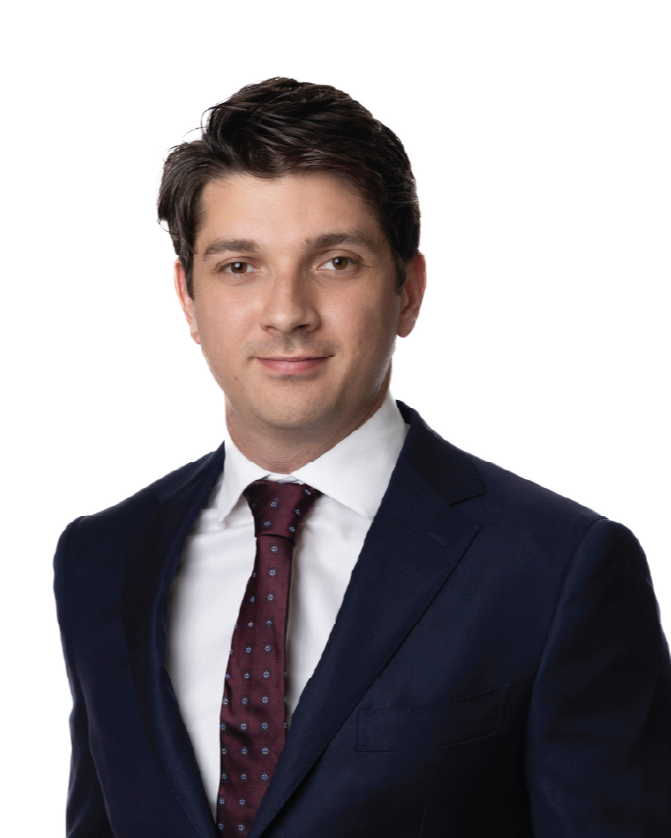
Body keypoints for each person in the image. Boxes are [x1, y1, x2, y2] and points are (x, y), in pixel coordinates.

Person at [54, 77, 671, 838]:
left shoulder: (556, 570)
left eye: (335, 262)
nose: (286, 312)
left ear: (408, 290)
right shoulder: (101, 559)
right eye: (239, 266)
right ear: (187, 296)